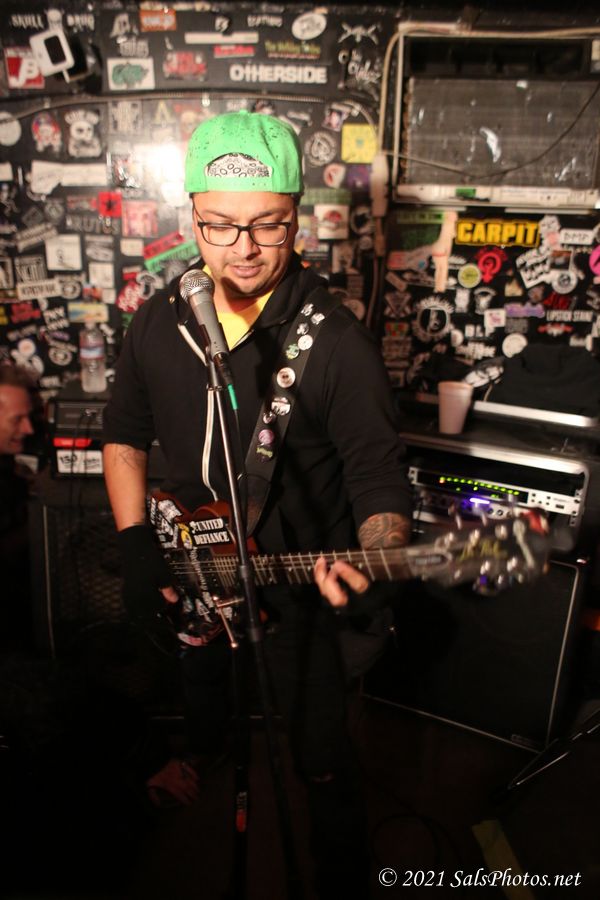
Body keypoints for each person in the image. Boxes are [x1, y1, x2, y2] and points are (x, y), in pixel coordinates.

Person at [102, 110, 413, 899]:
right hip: (196, 568)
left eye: (267, 225)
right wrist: (137, 544)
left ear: (297, 218)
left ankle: (339, 876)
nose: (242, 248)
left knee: (320, 755)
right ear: (192, 216)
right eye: (219, 225)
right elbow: (125, 436)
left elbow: (378, 477)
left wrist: (377, 555)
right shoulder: (161, 319)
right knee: (202, 695)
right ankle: (197, 758)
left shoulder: (335, 342)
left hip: (298, 596)